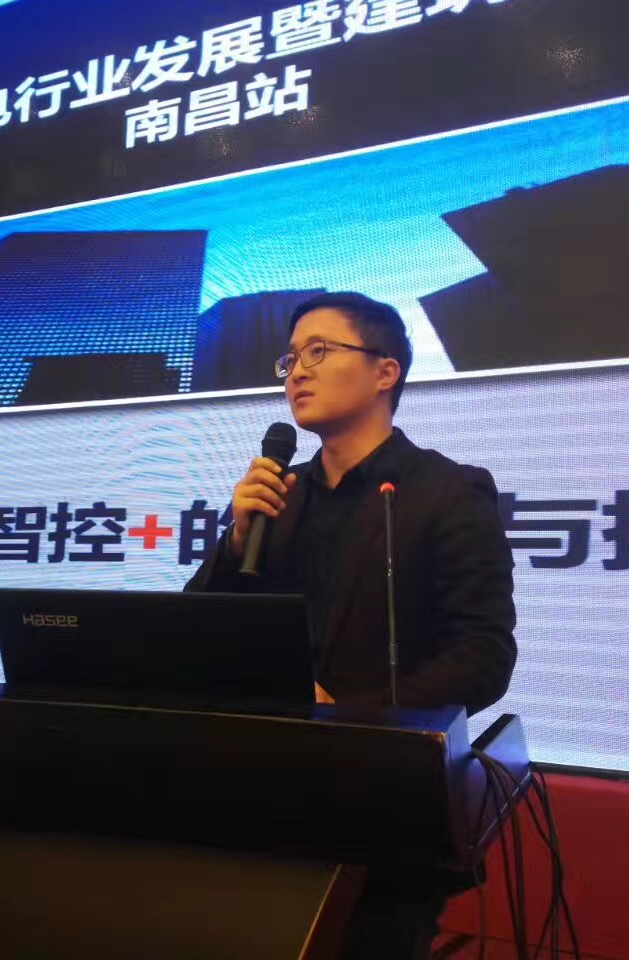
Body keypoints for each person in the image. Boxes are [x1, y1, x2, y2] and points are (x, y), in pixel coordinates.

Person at [184, 292, 517, 958]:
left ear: (385, 371)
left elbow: (482, 656)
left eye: (319, 351)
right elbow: (198, 631)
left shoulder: (448, 491)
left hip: (384, 809)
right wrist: (236, 540)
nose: (296, 372)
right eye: (289, 359)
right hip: (261, 797)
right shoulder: (278, 496)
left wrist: (351, 719)